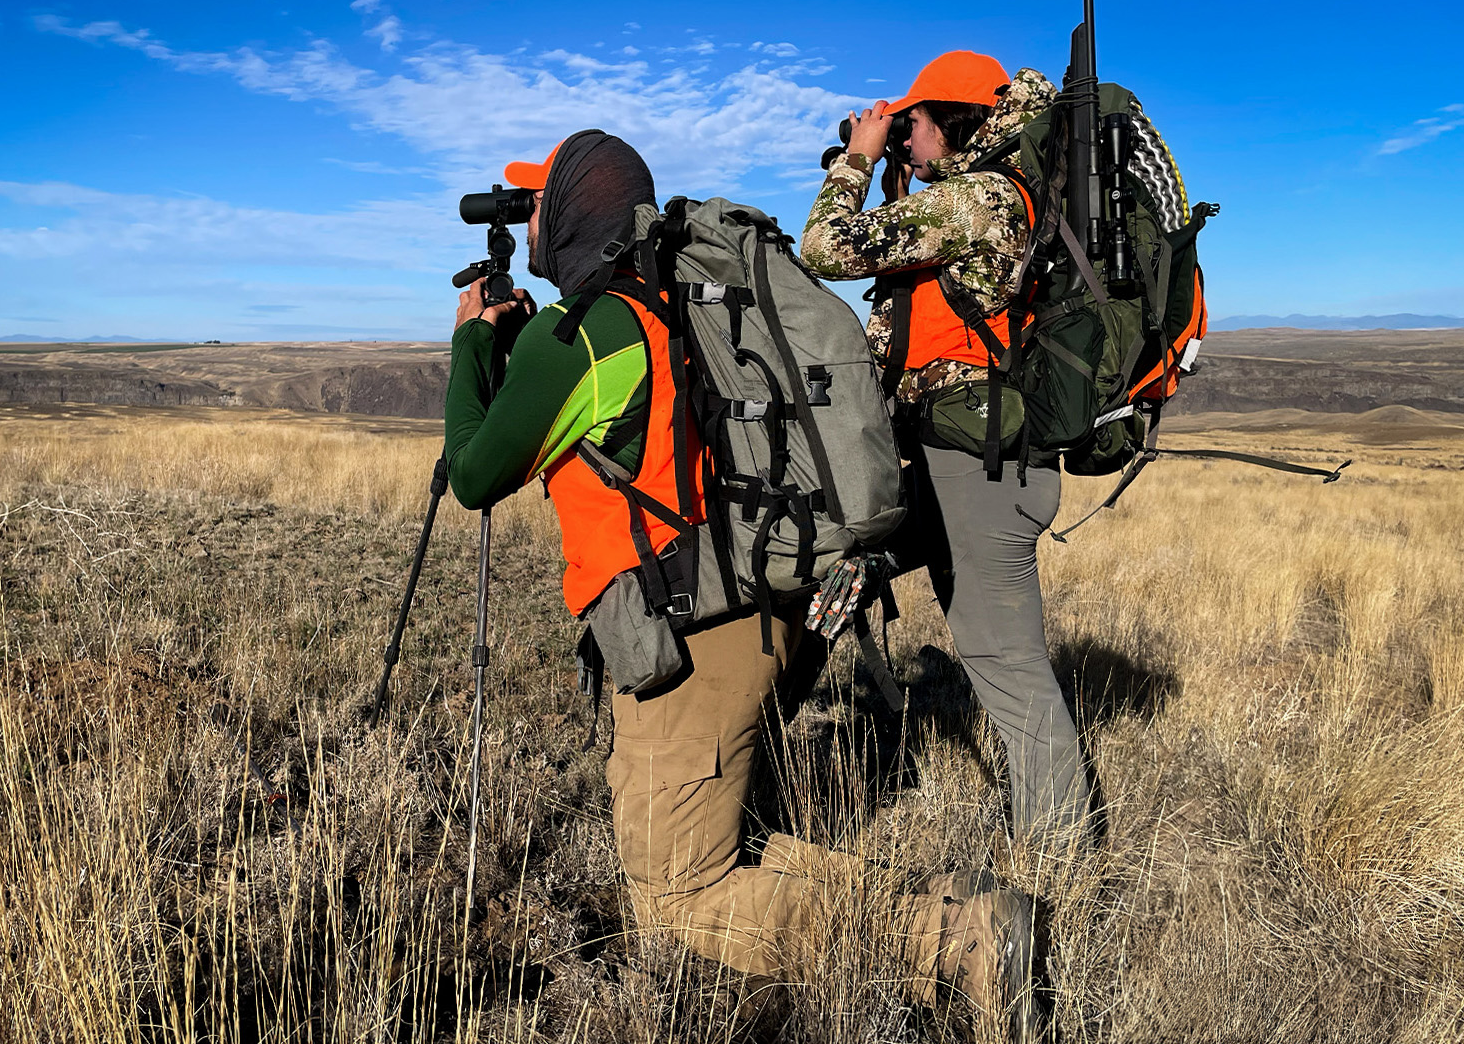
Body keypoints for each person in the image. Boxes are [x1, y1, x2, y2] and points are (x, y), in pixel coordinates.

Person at [444, 128, 1039, 1035]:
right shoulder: (666, 298)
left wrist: (470, 348)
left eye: (536, 205)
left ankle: (943, 940)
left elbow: (477, 473)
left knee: (679, 896)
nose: (526, 223)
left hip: (693, 645)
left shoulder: (582, 338)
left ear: (572, 211)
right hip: (758, 607)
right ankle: (964, 905)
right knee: (726, 844)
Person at [800, 51, 1093, 848]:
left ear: (956, 119)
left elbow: (825, 248)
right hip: (954, 451)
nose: (903, 136)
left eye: (913, 121)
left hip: (983, 464)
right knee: (849, 569)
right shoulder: (971, 195)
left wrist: (859, 157)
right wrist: (890, 169)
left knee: (1003, 658)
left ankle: (1063, 850)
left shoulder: (980, 197)